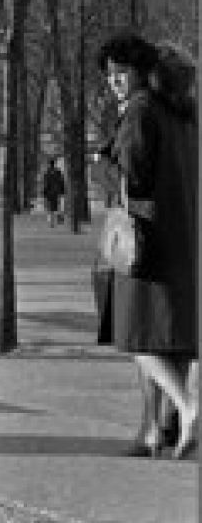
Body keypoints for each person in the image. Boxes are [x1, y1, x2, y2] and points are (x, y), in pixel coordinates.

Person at [96, 30, 197, 459]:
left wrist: (103, 162)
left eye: (123, 72)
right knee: (165, 339)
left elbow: (132, 178)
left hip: (143, 240)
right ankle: (155, 431)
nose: (115, 80)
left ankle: (187, 406)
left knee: (136, 335)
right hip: (181, 238)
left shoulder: (139, 112)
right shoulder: (184, 115)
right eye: (110, 73)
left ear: (144, 73)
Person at [40, 157, 66, 226]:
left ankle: (51, 221)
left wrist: (44, 192)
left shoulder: (47, 173)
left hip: (49, 192)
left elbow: (45, 184)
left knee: (50, 207)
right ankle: (57, 219)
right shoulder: (58, 172)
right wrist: (62, 191)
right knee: (57, 206)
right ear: (54, 164)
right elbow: (61, 182)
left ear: (49, 164)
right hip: (56, 192)